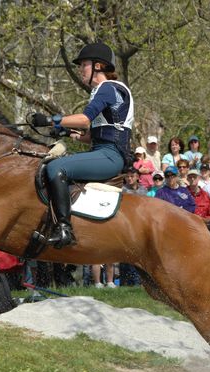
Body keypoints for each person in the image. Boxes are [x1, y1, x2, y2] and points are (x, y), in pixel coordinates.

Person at [30, 42, 133, 248]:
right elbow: (91, 135)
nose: (80, 70)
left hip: (110, 156)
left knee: (56, 167)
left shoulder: (107, 88)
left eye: (83, 64)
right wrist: (66, 132)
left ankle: (65, 229)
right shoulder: (104, 91)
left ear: (98, 66)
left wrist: (52, 120)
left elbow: (85, 120)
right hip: (104, 151)